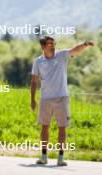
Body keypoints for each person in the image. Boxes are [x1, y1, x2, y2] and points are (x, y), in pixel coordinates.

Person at [30, 35, 94, 166]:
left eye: (54, 44)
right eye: (49, 44)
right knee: (44, 127)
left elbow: (74, 50)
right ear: (43, 47)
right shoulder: (38, 61)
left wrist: (85, 44)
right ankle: (43, 156)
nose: (53, 46)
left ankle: (60, 157)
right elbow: (34, 81)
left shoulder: (62, 55)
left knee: (62, 127)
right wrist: (32, 99)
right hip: (45, 99)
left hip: (62, 98)